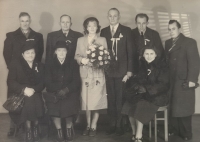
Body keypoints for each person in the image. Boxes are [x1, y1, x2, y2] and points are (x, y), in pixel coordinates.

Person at [3, 12, 44, 136]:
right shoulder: (11, 36)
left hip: (32, 75)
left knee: (33, 98)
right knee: (20, 99)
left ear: (30, 21)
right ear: (19, 21)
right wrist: (15, 68)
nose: (25, 23)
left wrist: (32, 67)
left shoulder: (37, 36)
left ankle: (31, 128)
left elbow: (39, 53)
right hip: (18, 75)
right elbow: (6, 54)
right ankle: (17, 127)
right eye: (22, 21)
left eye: (27, 20)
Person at [122, 45, 169, 142]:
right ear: (143, 55)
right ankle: (134, 132)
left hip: (157, 96)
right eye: (146, 54)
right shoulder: (142, 66)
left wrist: (146, 89)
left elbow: (163, 85)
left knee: (140, 105)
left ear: (156, 55)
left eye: (151, 53)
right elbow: (137, 80)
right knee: (129, 104)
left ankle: (139, 136)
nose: (149, 56)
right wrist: (137, 87)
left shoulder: (162, 66)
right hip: (144, 95)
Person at [100, 8, 133, 135]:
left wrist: (129, 71)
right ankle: (112, 123)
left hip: (122, 72)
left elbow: (130, 52)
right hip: (109, 71)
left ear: (119, 17)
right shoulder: (103, 31)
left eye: (115, 16)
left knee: (120, 99)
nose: (112, 18)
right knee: (111, 98)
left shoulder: (126, 31)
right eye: (110, 16)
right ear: (107, 17)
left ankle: (120, 124)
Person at [165, 20, 200, 141]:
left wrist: (192, 80)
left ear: (179, 29)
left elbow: (195, 63)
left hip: (184, 80)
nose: (171, 32)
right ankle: (174, 129)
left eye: (173, 29)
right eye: (169, 29)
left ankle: (186, 133)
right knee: (173, 107)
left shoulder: (189, 42)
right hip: (171, 80)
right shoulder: (168, 43)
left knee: (184, 107)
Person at [75, 17, 108, 137]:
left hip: (98, 74)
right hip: (85, 74)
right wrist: (83, 60)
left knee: (97, 100)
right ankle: (87, 125)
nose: (92, 28)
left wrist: (99, 62)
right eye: (89, 26)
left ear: (97, 27)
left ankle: (94, 125)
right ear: (86, 28)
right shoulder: (80, 40)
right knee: (87, 101)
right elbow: (76, 56)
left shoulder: (102, 39)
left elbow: (106, 57)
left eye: (94, 25)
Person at [7, 41, 45, 142]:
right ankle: (29, 129)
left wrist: (33, 89)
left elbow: (42, 83)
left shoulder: (39, 65)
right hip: (19, 94)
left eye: (32, 52)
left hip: (34, 92)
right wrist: (24, 89)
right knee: (30, 101)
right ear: (23, 54)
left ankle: (34, 127)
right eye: (27, 53)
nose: (30, 55)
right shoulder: (15, 64)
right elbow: (10, 82)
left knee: (34, 98)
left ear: (35, 54)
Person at [45, 41, 81, 142]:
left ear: (67, 52)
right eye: (59, 50)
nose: (61, 53)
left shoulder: (73, 63)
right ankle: (59, 130)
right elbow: (47, 81)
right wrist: (57, 90)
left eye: (63, 51)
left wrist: (66, 90)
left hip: (69, 91)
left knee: (69, 102)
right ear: (55, 52)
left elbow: (76, 81)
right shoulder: (49, 63)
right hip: (54, 92)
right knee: (54, 104)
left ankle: (69, 129)